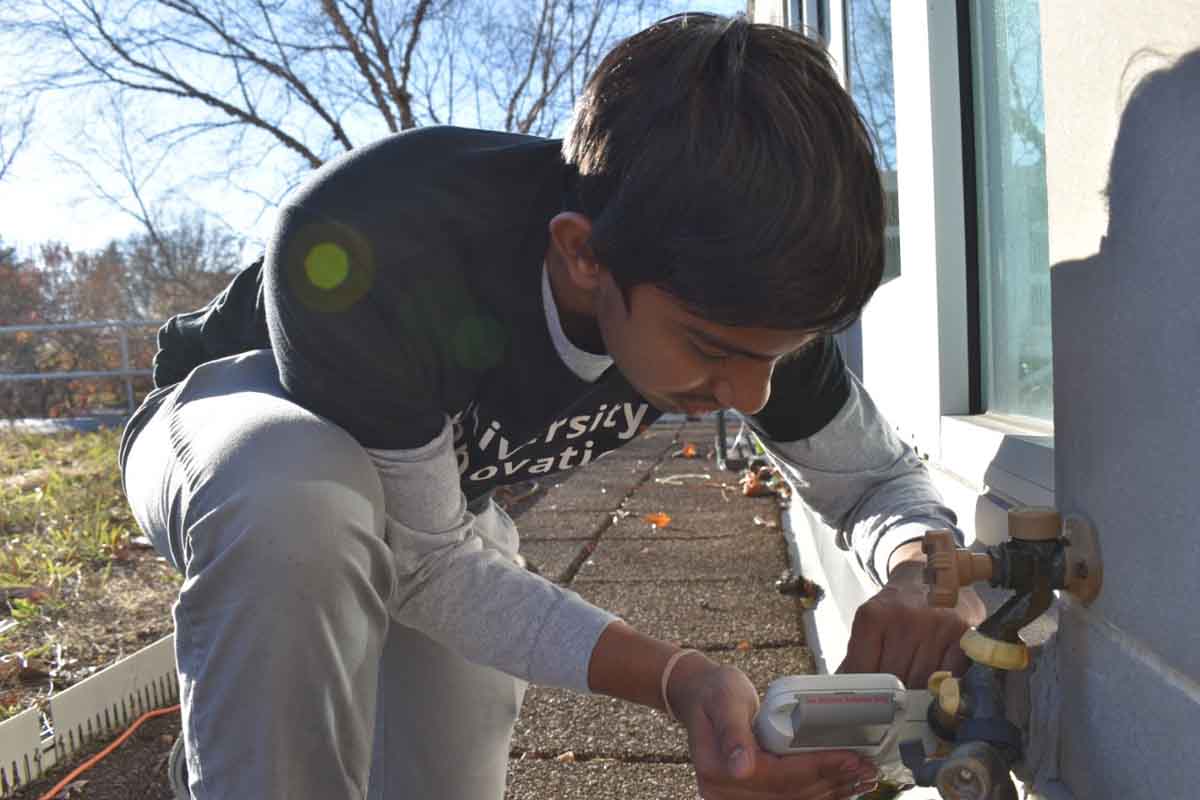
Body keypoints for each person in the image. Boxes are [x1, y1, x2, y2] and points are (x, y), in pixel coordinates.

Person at [119, 12, 983, 800]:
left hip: (432, 509)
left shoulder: (734, 294)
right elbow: (427, 565)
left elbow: (877, 481)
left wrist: (925, 572)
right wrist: (676, 675)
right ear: (583, 256)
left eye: (779, 357)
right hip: (230, 422)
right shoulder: (372, 239)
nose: (747, 396)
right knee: (295, 500)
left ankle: (247, 723)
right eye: (716, 352)